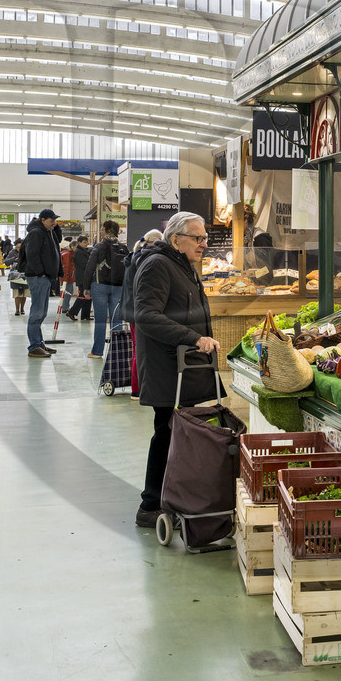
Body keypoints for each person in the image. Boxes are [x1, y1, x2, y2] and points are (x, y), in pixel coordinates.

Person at [132, 211, 220, 528]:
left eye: (205, 238)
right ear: (176, 240)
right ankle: (150, 505)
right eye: (198, 238)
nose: (204, 244)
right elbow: (146, 315)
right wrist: (193, 338)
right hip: (167, 369)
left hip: (185, 369)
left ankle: (172, 497)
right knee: (166, 432)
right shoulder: (157, 266)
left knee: (176, 434)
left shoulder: (183, 266)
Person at [18, 210, 63, 357]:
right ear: (43, 220)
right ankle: (34, 346)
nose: (54, 223)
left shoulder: (47, 231)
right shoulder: (37, 233)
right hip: (39, 277)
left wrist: (55, 228)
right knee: (37, 313)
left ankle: (39, 343)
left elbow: (58, 240)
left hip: (45, 277)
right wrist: (40, 272)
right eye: (52, 221)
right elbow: (32, 254)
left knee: (41, 313)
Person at [84, 220, 129, 360]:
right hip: (118, 286)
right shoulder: (123, 248)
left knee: (100, 320)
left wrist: (85, 287)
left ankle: (97, 352)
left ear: (105, 230)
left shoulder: (99, 246)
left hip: (100, 286)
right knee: (116, 320)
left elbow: (90, 266)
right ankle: (117, 353)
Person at [4, 241, 27, 316]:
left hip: (25, 275)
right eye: (17, 247)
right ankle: (17, 310)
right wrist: (14, 258)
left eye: (20, 247)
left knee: (25, 293)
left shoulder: (27, 251)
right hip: (14, 275)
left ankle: (22, 309)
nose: (19, 249)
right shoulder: (12, 252)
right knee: (16, 293)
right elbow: (6, 262)